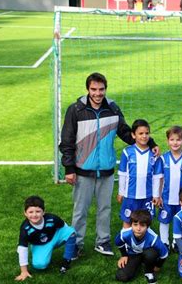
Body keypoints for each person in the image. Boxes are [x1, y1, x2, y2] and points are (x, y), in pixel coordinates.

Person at [59, 72, 158, 258]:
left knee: (105, 209)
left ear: (106, 89)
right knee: (80, 211)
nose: (98, 93)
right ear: (87, 89)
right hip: (82, 170)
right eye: (94, 89)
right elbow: (66, 141)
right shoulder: (76, 110)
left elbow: (127, 133)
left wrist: (150, 142)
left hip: (106, 171)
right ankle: (77, 244)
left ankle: (102, 242)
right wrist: (69, 168)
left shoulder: (113, 108)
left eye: (101, 89)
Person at [153, 126, 182, 250]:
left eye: (178, 140)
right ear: (167, 141)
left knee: (181, 221)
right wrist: (157, 195)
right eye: (172, 140)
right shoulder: (163, 159)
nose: (175, 143)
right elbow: (159, 178)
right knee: (164, 220)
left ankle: (177, 242)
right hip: (166, 197)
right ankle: (164, 242)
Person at [15, 196, 76, 281]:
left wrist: (68, 240)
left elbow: (64, 226)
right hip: (40, 244)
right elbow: (22, 249)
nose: (34, 215)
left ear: (44, 212)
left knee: (71, 232)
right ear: (25, 213)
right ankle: (41, 251)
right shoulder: (25, 228)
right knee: (40, 265)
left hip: (54, 238)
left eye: (38, 211)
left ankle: (67, 260)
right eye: (30, 212)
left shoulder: (51, 218)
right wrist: (23, 271)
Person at [117, 119, 157, 229]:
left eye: (147, 133)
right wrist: (121, 192)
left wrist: (156, 194)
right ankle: (125, 243)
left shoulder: (153, 153)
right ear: (133, 135)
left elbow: (156, 176)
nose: (144, 136)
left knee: (146, 220)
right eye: (140, 133)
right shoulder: (127, 152)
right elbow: (122, 174)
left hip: (147, 195)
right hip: (130, 195)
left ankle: (144, 244)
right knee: (128, 220)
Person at [115, 210, 168, 284]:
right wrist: (124, 255)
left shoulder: (153, 238)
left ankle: (149, 272)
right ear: (131, 224)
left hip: (148, 253)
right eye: (135, 224)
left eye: (142, 225)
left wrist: (158, 265)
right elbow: (118, 242)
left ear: (147, 226)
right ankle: (138, 263)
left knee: (150, 254)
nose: (138, 228)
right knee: (122, 276)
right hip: (133, 254)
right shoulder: (125, 233)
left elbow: (164, 253)